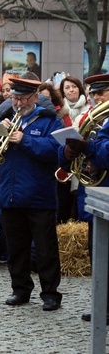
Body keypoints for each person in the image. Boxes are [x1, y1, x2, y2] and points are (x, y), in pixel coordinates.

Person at [0, 77, 63, 311]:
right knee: (16, 247)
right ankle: (20, 290)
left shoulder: (49, 121)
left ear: (35, 98)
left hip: (39, 195)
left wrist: (25, 140)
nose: (18, 103)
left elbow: (56, 150)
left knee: (46, 248)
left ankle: (50, 294)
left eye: (23, 98)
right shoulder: (6, 115)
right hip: (10, 192)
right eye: (15, 98)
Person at [59, 73, 109, 323]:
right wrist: (67, 151)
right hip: (95, 199)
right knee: (98, 256)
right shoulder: (90, 118)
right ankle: (102, 305)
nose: (96, 98)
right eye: (94, 93)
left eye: (101, 93)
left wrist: (87, 147)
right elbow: (76, 140)